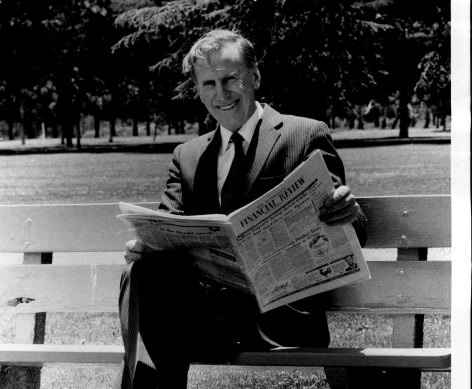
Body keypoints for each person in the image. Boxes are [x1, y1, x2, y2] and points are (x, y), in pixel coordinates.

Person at [115, 29, 367, 389]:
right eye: (209, 84)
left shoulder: (303, 135)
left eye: (231, 79)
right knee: (146, 272)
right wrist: (141, 248)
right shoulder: (186, 157)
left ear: (255, 77)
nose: (221, 94)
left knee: (157, 320)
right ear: (198, 90)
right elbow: (164, 236)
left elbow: (353, 234)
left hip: (280, 319)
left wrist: (349, 212)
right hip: (204, 319)